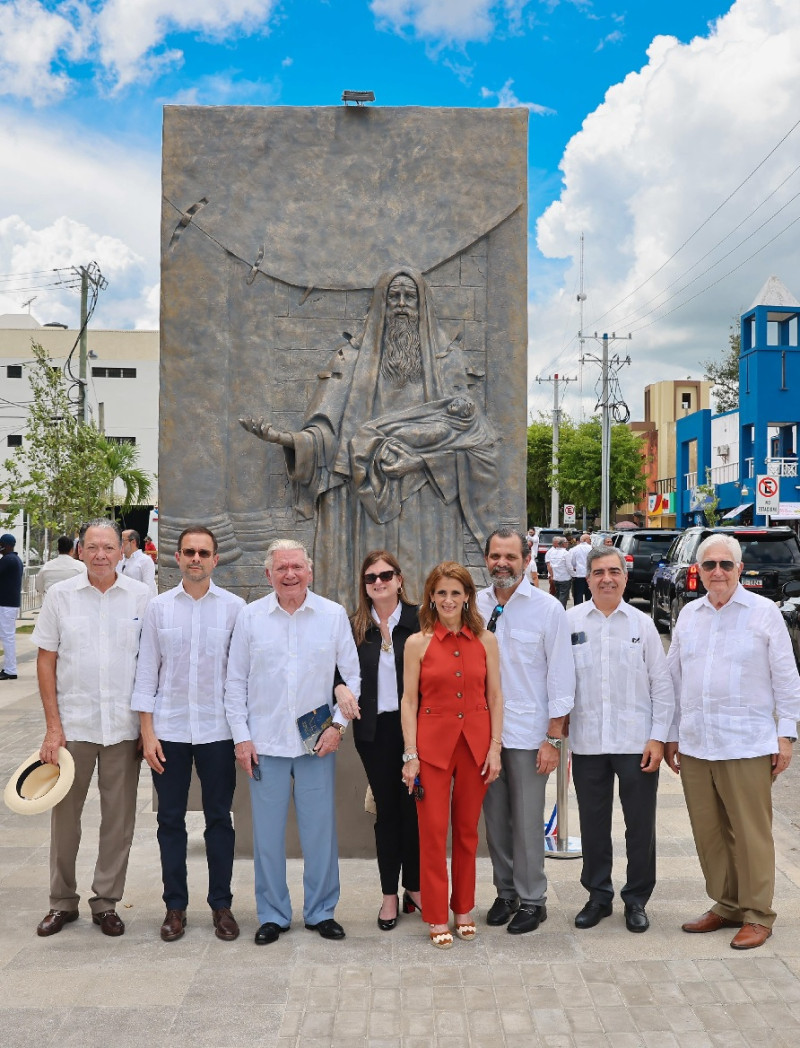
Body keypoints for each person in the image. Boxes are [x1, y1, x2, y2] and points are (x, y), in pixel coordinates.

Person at [238, 267, 498, 607]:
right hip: (365, 497)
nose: (402, 305)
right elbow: (328, 433)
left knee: (424, 589)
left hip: (426, 497)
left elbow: (472, 438)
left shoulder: (448, 363)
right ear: (380, 304)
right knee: (368, 584)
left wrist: (419, 461)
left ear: (423, 306)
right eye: (394, 297)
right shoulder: (349, 359)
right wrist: (290, 440)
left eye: (410, 297)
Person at [666, 535, 800, 950]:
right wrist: (669, 734)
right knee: (710, 833)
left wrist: (787, 734)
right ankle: (726, 904)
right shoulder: (689, 615)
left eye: (726, 564)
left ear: (740, 569)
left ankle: (758, 913)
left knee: (750, 832)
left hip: (746, 742)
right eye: (709, 566)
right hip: (695, 743)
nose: (718, 572)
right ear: (699, 572)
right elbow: (673, 678)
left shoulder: (763, 614)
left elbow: (786, 677)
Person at [224, 539, 361, 944]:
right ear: (268, 574)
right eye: (281, 568)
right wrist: (242, 739)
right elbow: (234, 684)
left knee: (320, 830)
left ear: (309, 571)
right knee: (266, 835)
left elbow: (352, 678)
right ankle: (272, 914)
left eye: (297, 567)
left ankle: (321, 911)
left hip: (316, 744)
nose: (290, 575)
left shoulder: (332, 616)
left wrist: (337, 728)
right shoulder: (250, 619)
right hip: (264, 743)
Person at [32, 519, 151, 937]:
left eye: (109, 547)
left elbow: (150, 665)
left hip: (123, 728)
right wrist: (52, 728)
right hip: (73, 728)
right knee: (65, 819)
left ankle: (106, 902)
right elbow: (45, 662)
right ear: (80, 551)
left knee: (118, 821)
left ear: (123, 551)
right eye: (93, 547)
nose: (100, 554)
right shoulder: (60, 597)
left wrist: (146, 728)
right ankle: (62, 902)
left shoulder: (142, 596)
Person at [132, 526, 245, 942]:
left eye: (204, 552)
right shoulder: (159, 609)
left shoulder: (235, 609)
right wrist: (148, 733)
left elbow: (238, 678)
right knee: (169, 821)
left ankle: (221, 905)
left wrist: (240, 733)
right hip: (170, 731)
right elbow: (147, 674)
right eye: (188, 552)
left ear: (216, 559)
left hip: (218, 731)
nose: (196, 558)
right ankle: (174, 907)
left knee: (219, 820)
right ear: (176, 558)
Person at [565, 546, 675, 933]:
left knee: (639, 826)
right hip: (588, 742)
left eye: (614, 571)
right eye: (599, 572)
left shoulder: (642, 624)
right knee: (593, 824)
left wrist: (658, 738)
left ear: (625, 578)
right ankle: (598, 895)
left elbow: (661, 687)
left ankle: (637, 899)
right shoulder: (570, 621)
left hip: (636, 743)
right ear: (588, 577)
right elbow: (560, 683)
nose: (607, 578)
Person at [401, 561, 503, 949]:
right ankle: (434, 914)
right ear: (431, 596)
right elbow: (409, 701)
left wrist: (494, 748)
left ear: (467, 597)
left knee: (466, 832)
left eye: (455, 593)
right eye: (441, 592)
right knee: (431, 833)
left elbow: (495, 696)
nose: (447, 600)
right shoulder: (418, 643)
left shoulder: (486, 640)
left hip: (475, 747)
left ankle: (463, 908)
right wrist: (410, 754)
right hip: (431, 749)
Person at [477, 528, 574, 934]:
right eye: (495, 555)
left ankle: (533, 899)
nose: (502, 563)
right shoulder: (474, 604)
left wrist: (553, 738)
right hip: (483, 736)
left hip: (530, 735)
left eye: (510, 556)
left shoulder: (548, 609)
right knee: (496, 821)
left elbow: (562, 678)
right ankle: (506, 892)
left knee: (528, 822)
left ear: (525, 558)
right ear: (486, 559)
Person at [344, 550, 421, 930]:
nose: (379, 582)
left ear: (400, 579)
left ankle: (417, 889)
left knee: (417, 811)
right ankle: (390, 894)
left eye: (386, 575)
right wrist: (340, 687)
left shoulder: (421, 619)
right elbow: (336, 671)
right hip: (374, 733)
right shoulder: (355, 626)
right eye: (371, 577)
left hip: (417, 730)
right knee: (388, 812)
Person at [0, 533, 23, 680]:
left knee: (7, 637)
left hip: (6, 604)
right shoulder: (14, 559)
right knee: (7, 637)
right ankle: (9, 668)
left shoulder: (8, 560)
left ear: (6, 545)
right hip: (9, 604)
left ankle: (10, 669)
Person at [119, 529, 157, 596]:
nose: (119, 544)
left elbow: (148, 588)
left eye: (122, 541)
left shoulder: (145, 561)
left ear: (133, 542)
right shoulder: (120, 560)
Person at [545, 536, 572, 608]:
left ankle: (556, 610)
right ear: (563, 544)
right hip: (564, 578)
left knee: (557, 595)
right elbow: (569, 567)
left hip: (556, 578)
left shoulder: (552, 552)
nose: (567, 543)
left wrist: (553, 576)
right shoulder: (566, 553)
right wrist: (573, 574)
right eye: (566, 542)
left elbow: (550, 565)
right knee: (563, 596)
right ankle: (561, 611)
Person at [568, 532, 592, 605]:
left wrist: (575, 567)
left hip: (578, 574)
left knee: (578, 594)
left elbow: (571, 562)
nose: (591, 541)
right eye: (589, 539)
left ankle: (578, 610)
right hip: (589, 575)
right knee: (589, 594)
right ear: (585, 540)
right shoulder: (591, 548)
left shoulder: (573, 549)